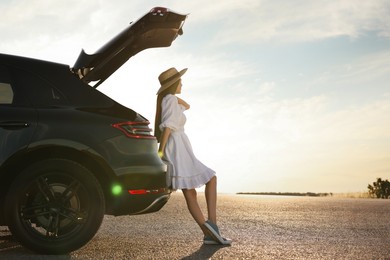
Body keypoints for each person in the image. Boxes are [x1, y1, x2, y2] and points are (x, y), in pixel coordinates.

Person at [154, 67, 231, 245]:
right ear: (174, 84)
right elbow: (168, 127)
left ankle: (209, 233)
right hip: (178, 148)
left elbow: (187, 106)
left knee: (190, 193)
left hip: (178, 147)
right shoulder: (171, 99)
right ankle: (212, 224)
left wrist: (163, 150)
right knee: (211, 178)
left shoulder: (168, 99)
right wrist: (161, 151)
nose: (183, 83)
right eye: (180, 81)